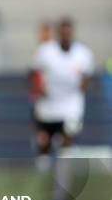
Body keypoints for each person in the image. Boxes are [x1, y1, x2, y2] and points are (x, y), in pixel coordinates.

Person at [30, 17, 94, 156]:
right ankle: (44, 164)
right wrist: (38, 88)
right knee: (44, 142)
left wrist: (83, 86)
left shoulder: (83, 53)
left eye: (68, 32)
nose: (65, 35)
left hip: (71, 106)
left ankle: (64, 170)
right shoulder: (46, 51)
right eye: (63, 32)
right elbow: (33, 73)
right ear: (58, 33)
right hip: (48, 105)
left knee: (68, 137)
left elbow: (87, 75)